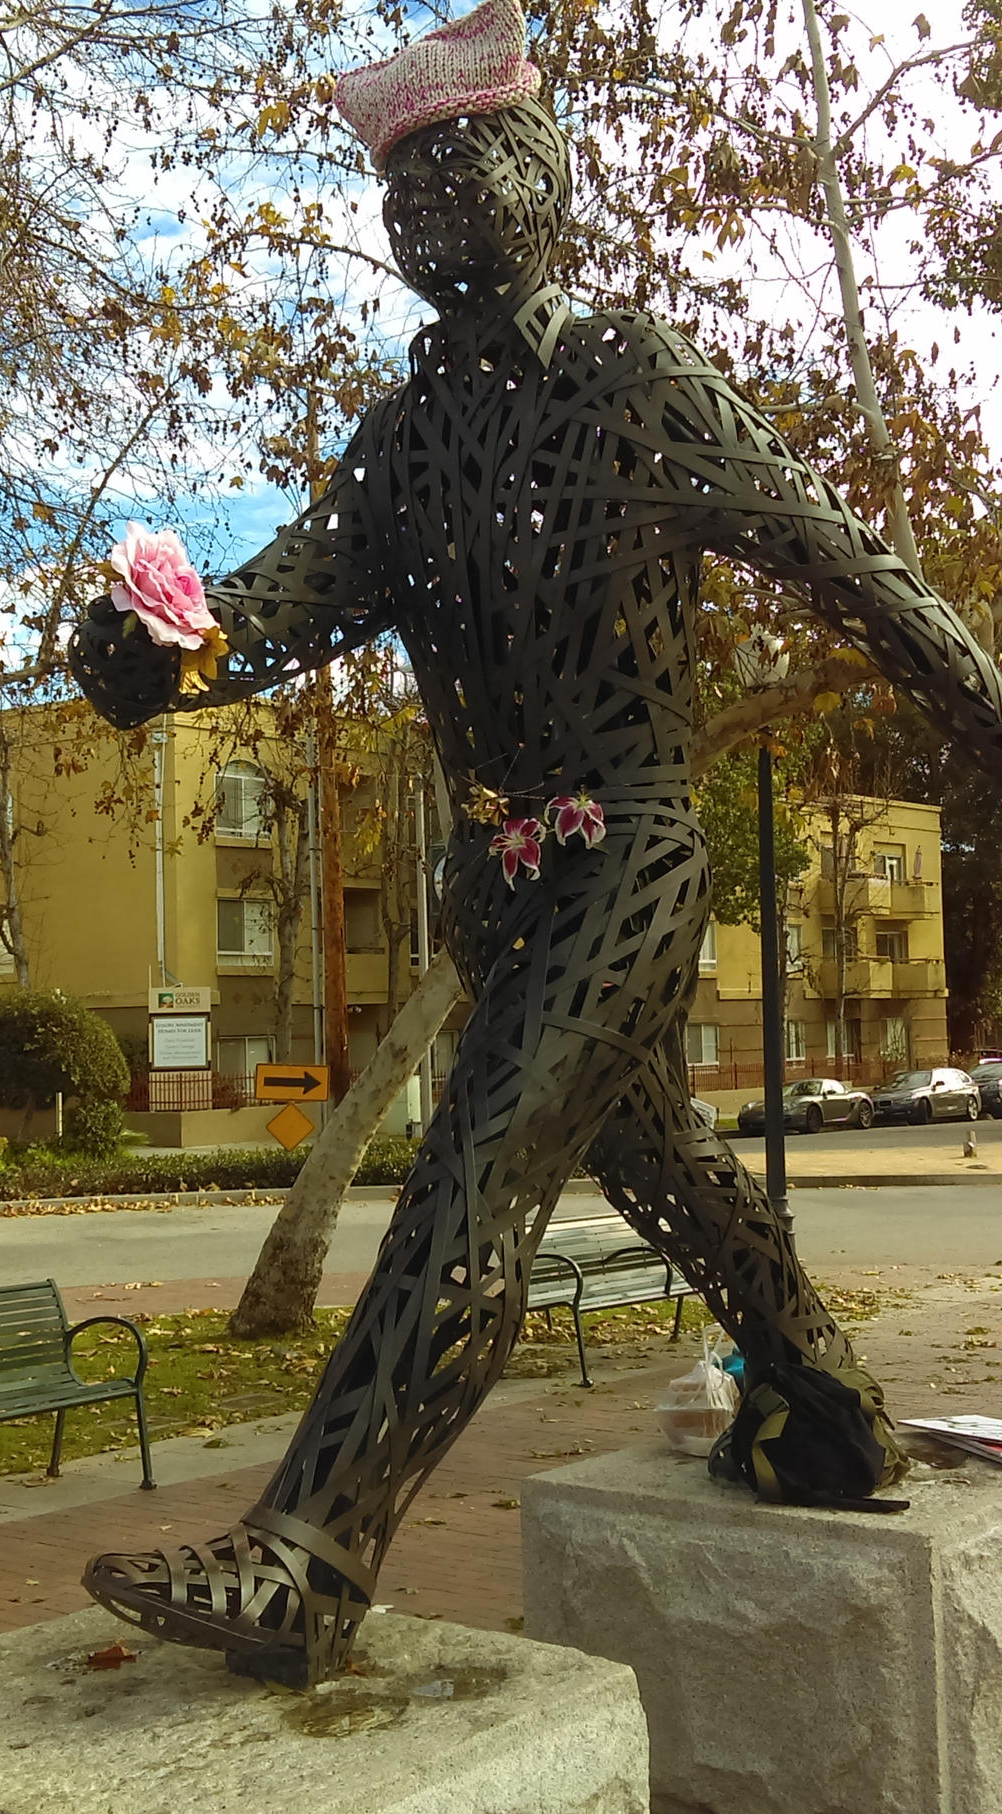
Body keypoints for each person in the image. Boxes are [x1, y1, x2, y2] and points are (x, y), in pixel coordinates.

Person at [69, 0, 1002, 1685]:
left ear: (543, 169)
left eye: (463, 161)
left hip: (635, 848)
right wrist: (157, 655)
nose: (429, 203)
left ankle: (310, 1550)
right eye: (404, 179)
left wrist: (983, 708)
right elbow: (276, 602)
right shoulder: (409, 440)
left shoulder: (635, 383)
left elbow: (832, 550)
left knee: (477, 1170)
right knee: (667, 1168)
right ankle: (828, 1406)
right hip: (504, 879)